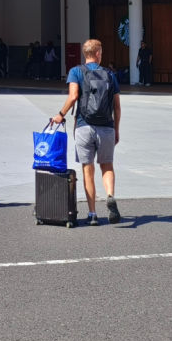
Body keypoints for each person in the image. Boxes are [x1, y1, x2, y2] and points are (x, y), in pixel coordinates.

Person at [53, 39, 122, 225]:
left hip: (84, 126)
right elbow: (117, 107)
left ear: (85, 54)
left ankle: (92, 214)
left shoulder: (76, 71)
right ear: (98, 53)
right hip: (106, 127)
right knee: (107, 166)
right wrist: (116, 130)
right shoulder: (109, 74)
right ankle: (110, 195)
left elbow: (73, 96)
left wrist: (61, 114)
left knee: (87, 169)